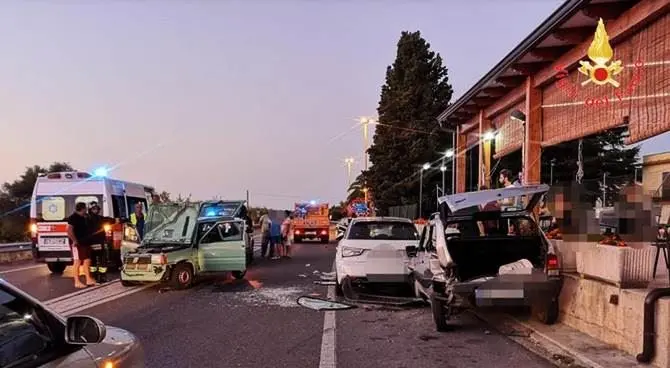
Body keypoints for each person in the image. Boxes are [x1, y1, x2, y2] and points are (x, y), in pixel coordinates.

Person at [86, 202, 117, 283]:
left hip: (92, 244)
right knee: (102, 261)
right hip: (98, 243)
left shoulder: (87, 219)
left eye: (96, 208)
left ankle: (94, 277)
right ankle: (101, 277)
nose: (95, 210)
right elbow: (111, 220)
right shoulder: (99, 218)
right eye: (94, 209)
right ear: (90, 210)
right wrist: (120, 219)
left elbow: (110, 220)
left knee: (94, 262)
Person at [67, 202, 96, 288]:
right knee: (77, 261)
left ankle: (88, 279)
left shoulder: (84, 217)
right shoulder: (73, 218)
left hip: (85, 242)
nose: (86, 210)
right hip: (78, 243)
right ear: (82, 209)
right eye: (85, 209)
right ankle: (77, 281)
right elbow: (69, 230)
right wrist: (74, 241)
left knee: (87, 260)